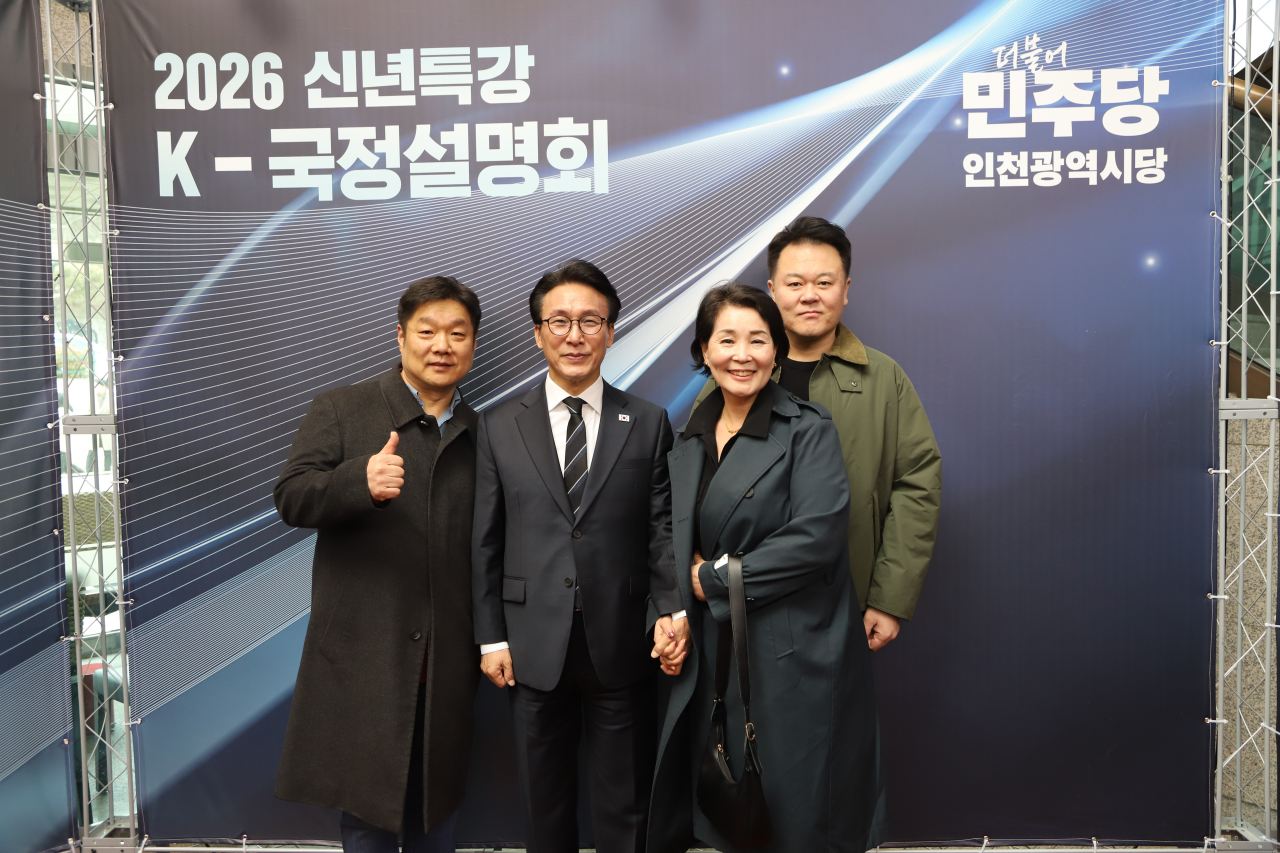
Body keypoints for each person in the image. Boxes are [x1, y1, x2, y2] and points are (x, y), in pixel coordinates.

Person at [648, 283, 877, 853]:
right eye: (726, 339)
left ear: (777, 350)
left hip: (792, 646)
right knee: (731, 798)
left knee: (795, 807)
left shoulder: (807, 428)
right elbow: (667, 534)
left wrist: (711, 580)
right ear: (704, 350)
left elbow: (817, 538)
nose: (742, 354)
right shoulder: (688, 437)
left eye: (757, 339)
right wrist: (670, 611)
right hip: (715, 648)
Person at [472, 259, 689, 853]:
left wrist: (671, 611)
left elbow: (661, 531)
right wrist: (490, 638)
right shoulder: (498, 427)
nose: (575, 335)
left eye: (590, 321)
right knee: (543, 802)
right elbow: (485, 539)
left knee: (624, 802)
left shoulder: (647, 421)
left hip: (621, 638)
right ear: (538, 333)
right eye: (560, 321)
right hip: (530, 643)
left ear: (610, 332)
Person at [273, 276, 482, 853]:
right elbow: (291, 497)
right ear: (401, 336)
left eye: (457, 333)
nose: (442, 346)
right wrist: (356, 482)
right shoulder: (343, 409)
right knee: (367, 820)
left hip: (446, 662)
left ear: (472, 343)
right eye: (427, 331)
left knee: (438, 818)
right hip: (366, 656)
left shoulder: (481, 432)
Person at [695, 215, 942, 647]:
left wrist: (889, 598)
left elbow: (917, 486)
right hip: (744, 604)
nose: (809, 295)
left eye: (824, 283)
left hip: (846, 600)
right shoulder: (735, 376)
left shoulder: (883, 378)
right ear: (772, 291)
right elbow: (693, 488)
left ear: (846, 289)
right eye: (794, 284)